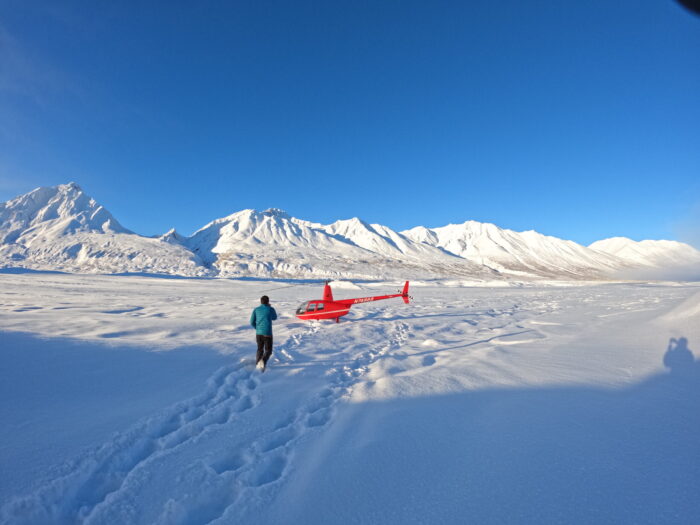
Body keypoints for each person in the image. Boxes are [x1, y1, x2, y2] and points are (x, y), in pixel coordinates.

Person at [250, 295, 277, 371]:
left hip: (258, 333)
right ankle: (262, 362)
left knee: (259, 349)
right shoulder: (270, 309)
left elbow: (251, 322)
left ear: (261, 301)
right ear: (268, 302)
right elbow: (274, 318)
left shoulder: (256, 310)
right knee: (268, 351)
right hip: (267, 333)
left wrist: (257, 328)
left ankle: (258, 364)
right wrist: (270, 308)